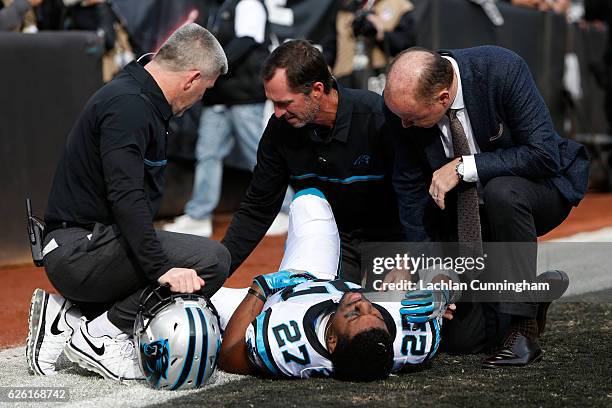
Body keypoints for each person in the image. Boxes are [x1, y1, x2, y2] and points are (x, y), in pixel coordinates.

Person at [26, 23, 231, 380]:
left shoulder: (137, 95)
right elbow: (126, 196)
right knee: (211, 261)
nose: (201, 98)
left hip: (87, 245)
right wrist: (160, 267)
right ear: (191, 79)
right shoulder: (130, 106)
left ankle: (69, 317)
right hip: (79, 251)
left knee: (187, 269)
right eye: (205, 89)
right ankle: (100, 336)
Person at [383, 46, 589, 367]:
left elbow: (544, 154)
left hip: (534, 194)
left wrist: (464, 166)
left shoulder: (500, 69)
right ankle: (533, 297)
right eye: (400, 116)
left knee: (501, 192)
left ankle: (523, 331)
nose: (404, 125)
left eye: (413, 118)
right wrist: (432, 268)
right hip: (468, 217)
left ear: (442, 96)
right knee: (464, 342)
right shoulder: (402, 109)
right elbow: (409, 191)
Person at [212, 188, 449, 380]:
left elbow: (230, 356)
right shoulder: (414, 340)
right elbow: (461, 268)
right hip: (323, 279)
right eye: (376, 313)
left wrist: (260, 290)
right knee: (310, 200)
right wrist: (443, 293)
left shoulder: (288, 347)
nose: (362, 303)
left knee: (191, 303)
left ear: (332, 341)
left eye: (355, 315)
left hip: (275, 297)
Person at [221, 39, 403, 285]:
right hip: (334, 241)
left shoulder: (377, 118)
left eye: (285, 103)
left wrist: (411, 257)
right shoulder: (280, 129)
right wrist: (217, 272)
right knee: (328, 313)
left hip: (394, 239)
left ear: (317, 90)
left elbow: (415, 193)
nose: (277, 113)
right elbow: (258, 207)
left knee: (395, 315)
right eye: (272, 103)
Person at [163, 0, 293, 238]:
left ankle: (287, 211)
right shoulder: (219, 9)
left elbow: (247, 41)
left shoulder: (248, 3)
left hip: (243, 96)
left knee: (258, 153)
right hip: (218, 96)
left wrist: (211, 68)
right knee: (207, 155)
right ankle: (199, 216)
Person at [322, 0, 416, 89]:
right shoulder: (345, 8)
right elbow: (330, 46)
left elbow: (406, 46)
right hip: (345, 79)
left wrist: (380, 33)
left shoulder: (400, 5)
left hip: (379, 78)